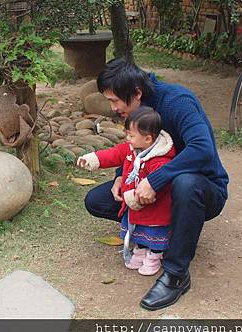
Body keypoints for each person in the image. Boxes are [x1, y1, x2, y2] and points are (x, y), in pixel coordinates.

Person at [84, 58, 229, 311]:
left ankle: (176, 274)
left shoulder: (178, 102)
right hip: (160, 192)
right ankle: (160, 233)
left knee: (185, 184)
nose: (113, 107)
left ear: (137, 92)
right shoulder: (136, 111)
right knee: (97, 200)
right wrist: (121, 174)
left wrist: (156, 179)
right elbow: (134, 146)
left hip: (204, 189)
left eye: (115, 100)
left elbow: (202, 149)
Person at [77, 107, 176, 276]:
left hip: (153, 208)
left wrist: (136, 195)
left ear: (147, 139)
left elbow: (162, 185)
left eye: (131, 135)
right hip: (135, 206)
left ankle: (153, 257)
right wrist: (92, 159)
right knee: (138, 229)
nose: (127, 139)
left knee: (153, 231)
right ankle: (140, 250)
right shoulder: (131, 149)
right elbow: (113, 154)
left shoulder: (159, 160)